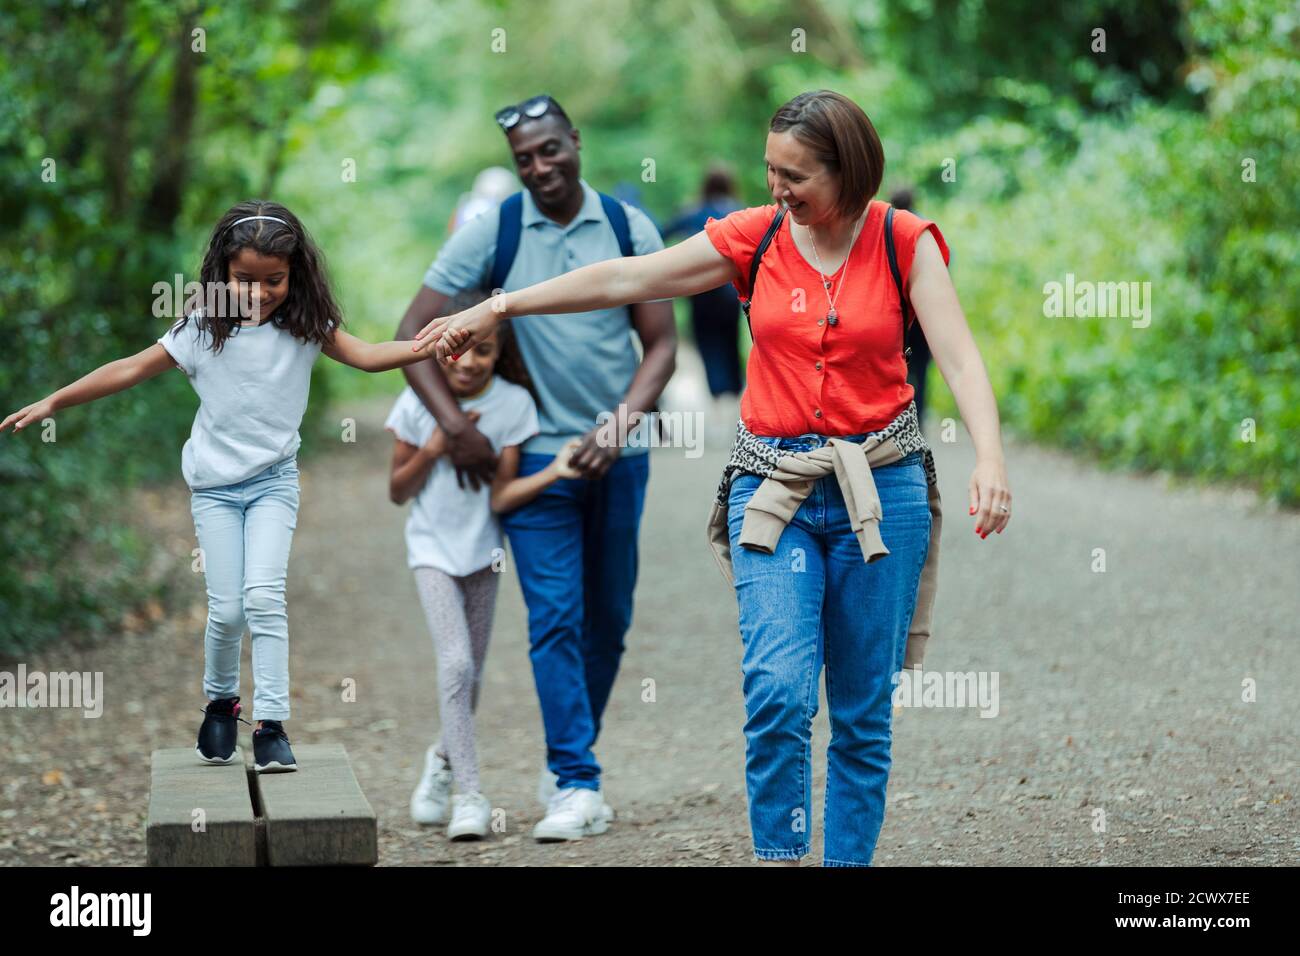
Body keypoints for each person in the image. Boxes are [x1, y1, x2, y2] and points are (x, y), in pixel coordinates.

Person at [419, 89, 1013, 866]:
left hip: (884, 489)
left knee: (863, 714)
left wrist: (992, 459)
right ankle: (779, 857)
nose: (777, 189)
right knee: (778, 693)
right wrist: (504, 305)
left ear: (849, 171)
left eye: (794, 175)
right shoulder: (754, 236)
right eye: (770, 170)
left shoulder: (904, 242)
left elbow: (961, 358)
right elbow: (625, 279)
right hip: (774, 494)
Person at [2, 200, 441, 774]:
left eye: (274, 281)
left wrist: (434, 342)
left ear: (295, 274)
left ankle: (273, 726)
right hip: (213, 490)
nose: (260, 293)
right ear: (220, 274)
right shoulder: (200, 332)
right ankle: (220, 702)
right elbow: (131, 368)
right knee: (227, 610)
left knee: (264, 598)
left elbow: (372, 356)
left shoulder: (308, 327)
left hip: (273, 485)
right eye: (245, 280)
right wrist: (57, 399)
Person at [394, 93, 676, 842]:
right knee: (556, 617)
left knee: (608, 621)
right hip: (535, 458)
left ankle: (534, 758)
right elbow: (411, 329)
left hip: (620, 456)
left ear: (576, 141)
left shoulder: (626, 227)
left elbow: (661, 345)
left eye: (551, 150)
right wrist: (455, 428)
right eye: (525, 159)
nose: (541, 167)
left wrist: (617, 428)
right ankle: (575, 780)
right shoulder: (499, 231)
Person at [389, 289, 583, 840]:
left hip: (485, 555)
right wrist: (433, 447)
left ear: (499, 354)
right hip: (430, 551)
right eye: (459, 350)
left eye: (484, 351)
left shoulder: (514, 406)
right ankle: (470, 795)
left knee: (469, 674)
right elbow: (396, 491)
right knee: (454, 665)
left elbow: (500, 497)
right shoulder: (416, 403)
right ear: (440, 348)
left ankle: (440, 760)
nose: (469, 362)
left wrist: (555, 471)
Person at [662, 164, 745, 404]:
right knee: (730, 341)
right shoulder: (737, 213)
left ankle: (717, 394)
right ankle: (733, 393)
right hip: (731, 294)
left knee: (708, 344)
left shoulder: (692, 212)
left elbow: (662, 233)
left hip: (701, 294)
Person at [890, 187, 936, 426]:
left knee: (900, 369)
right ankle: (918, 419)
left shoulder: (885, 232)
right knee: (921, 370)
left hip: (899, 318)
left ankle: (902, 420)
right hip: (925, 319)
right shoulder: (925, 230)